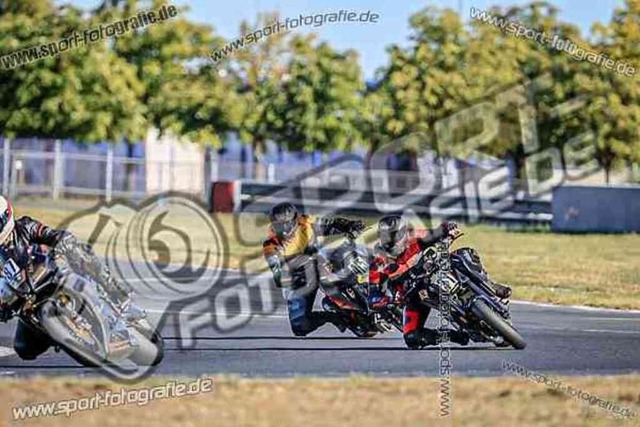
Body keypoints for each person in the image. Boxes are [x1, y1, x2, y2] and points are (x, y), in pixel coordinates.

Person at [0, 196, 131, 360]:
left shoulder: (24, 227)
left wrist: (62, 240)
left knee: (79, 251)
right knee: (24, 349)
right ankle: (55, 332)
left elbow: (49, 233)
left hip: (52, 274)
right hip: (27, 301)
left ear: (6, 216)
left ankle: (113, 289)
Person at [369, 214, 511, 349]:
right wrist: (388, 300)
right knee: (412, 338)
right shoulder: (378, 261)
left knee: (465, 254)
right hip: (414, 294)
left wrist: (448, 228)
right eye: (387, 237)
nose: (393, 241)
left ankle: (491, 286)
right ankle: (454, 336)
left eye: (397, 235)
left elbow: (440, 230)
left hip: (435, 269)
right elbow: (373, 297)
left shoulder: (416, 236)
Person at [263, 202, 365, 336]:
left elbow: (329, 225)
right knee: (299, 327)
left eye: (284, 224)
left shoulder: (306, 221)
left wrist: (348, 225)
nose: (281, 228)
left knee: (344, 253)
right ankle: (336, 317)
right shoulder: (271, 245)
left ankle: (365, 287)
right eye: (277, 224)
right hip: (300, 279)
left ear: (294, 220)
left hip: (321, 262)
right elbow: (278, 274)